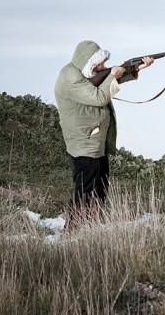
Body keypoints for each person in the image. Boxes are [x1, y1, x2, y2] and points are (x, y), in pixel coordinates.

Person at [54, 40, 154, 227]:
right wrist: (113, 74)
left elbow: (106, 81)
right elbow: (98, 96)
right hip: (84, 142)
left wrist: (135, 69)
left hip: (95, 139)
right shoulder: (70, 77)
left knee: (100, 187)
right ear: (88, 62)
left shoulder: (83, 72)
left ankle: (93, 226)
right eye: (99, 64)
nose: (103, 67)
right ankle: (73, 231)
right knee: (85, 189)